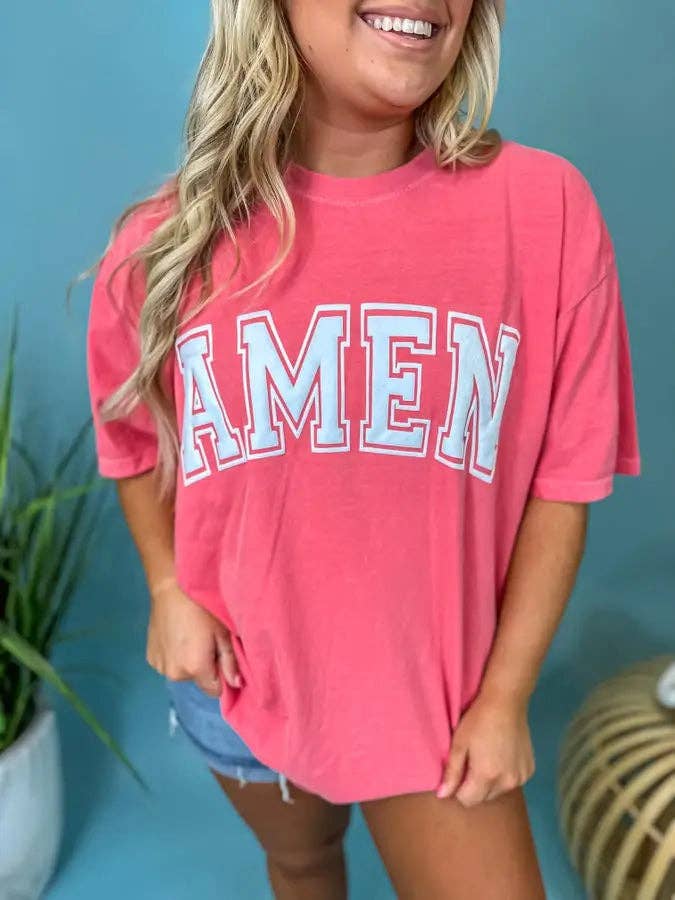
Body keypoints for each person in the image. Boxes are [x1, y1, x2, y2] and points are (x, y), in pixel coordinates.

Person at [84, 0, 642, 896]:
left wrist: (504, 697)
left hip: (437, 703)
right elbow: (137, 438)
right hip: (238, 681)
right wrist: (165, 585)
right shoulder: (164, 243)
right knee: (302, 860)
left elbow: (561, 485)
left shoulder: (543, 213)